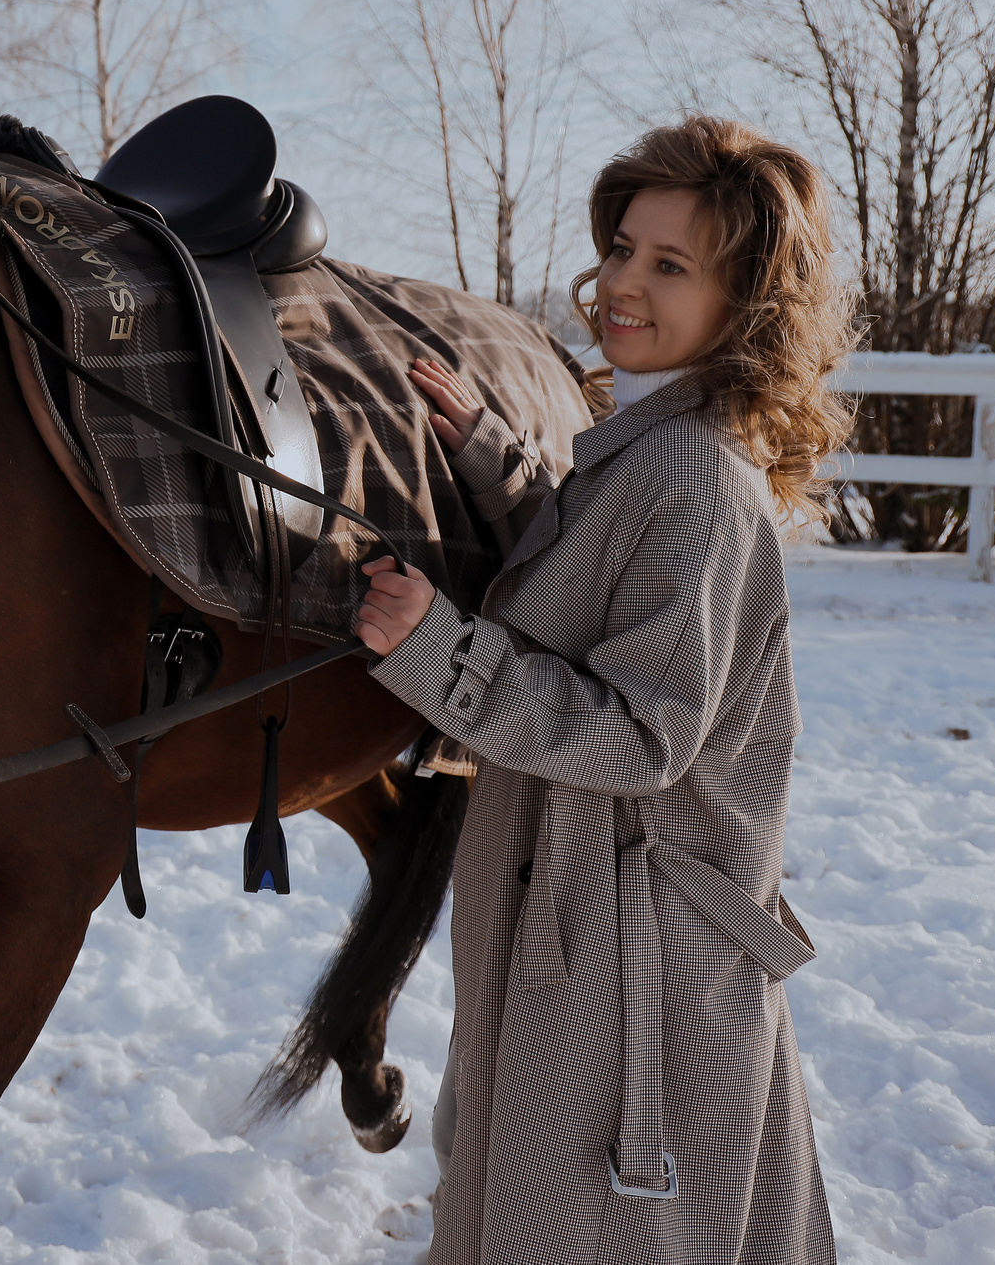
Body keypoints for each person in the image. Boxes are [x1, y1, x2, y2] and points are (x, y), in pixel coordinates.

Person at [355, 116, 855, 1265]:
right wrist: (498, 465)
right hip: (595, 921)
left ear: (745, 305)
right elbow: (603, 571)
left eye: (670, 265)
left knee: (600, 1231)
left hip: (637, 965)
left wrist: (442, 650)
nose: (622, 283)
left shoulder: (697, 481)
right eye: (622, 247)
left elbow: (639, 735)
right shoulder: (646, 447)